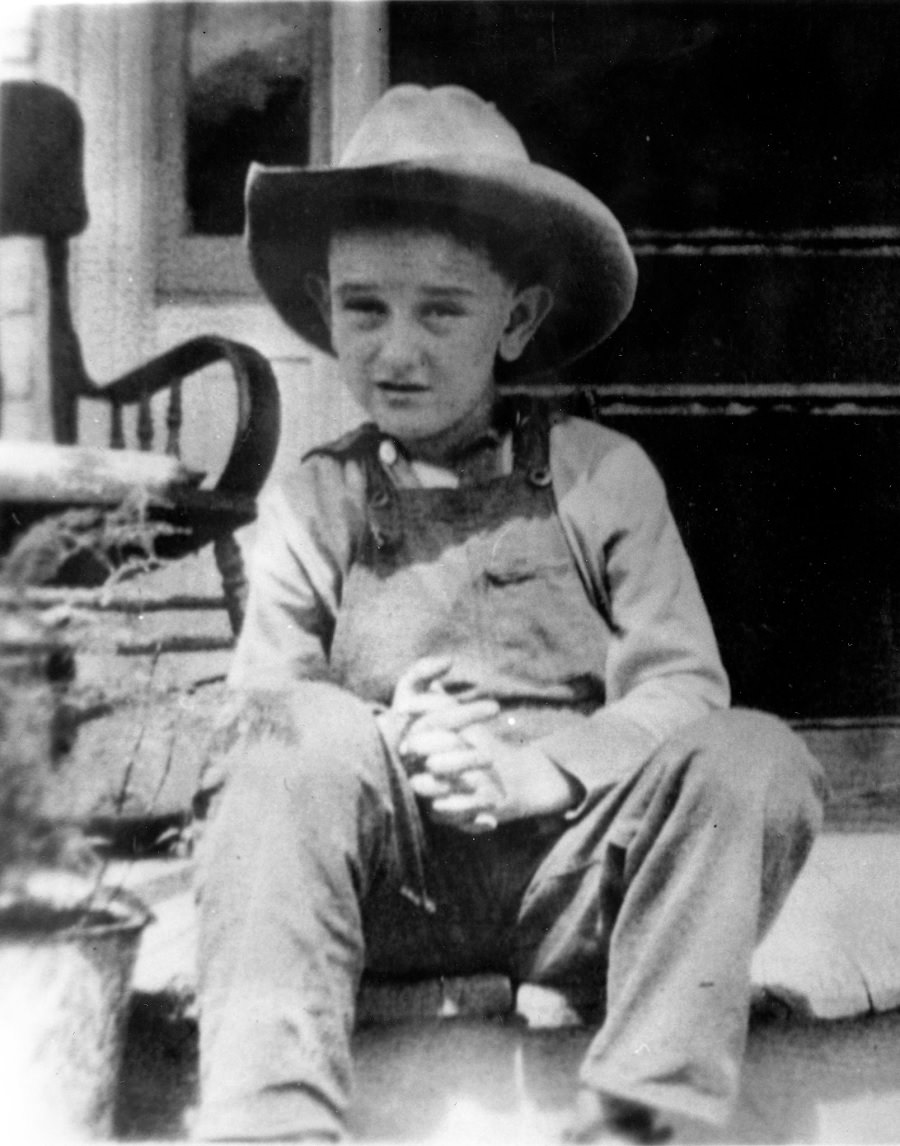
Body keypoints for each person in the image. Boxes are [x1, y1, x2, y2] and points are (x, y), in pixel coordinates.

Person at [192, 84, 826, 1144]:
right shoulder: (316, 500)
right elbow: (258, 708)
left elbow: (683, 689)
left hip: (579, 886)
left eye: (441, 310)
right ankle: (271, 1123)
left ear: (518, 320)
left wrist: (546, 769)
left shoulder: (599, 478)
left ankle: (642, 1112)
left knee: (754, 757)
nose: (397, 351)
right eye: (364, 309)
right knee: (290, 735)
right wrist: (385, 736)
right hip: (390, 890)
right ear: (324, 301)